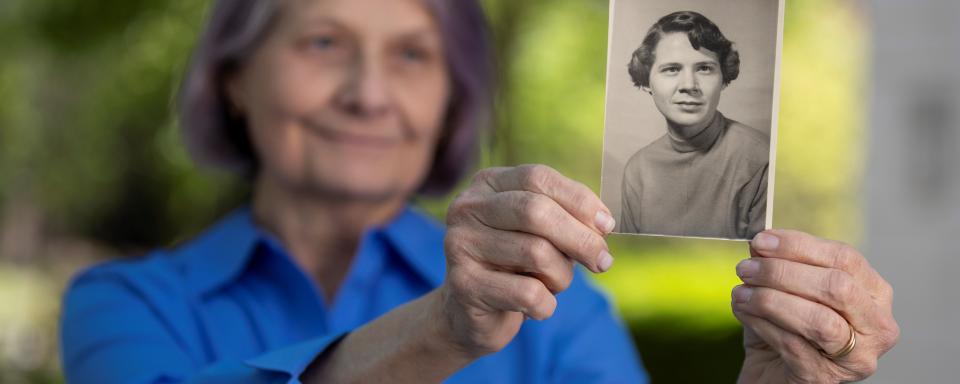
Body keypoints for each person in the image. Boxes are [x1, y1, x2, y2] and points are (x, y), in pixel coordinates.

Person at [59, 1, 898, 383]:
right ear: (234, 79)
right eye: (323, 43)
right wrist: (442, 330)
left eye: (412, 55)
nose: (369, 94)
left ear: (450, 100)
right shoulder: (122, 303)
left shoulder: (561, 303)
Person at [619, 11, 769, 239]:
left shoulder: (760, 158)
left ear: (723, 78)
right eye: (672, 69)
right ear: (647, 80)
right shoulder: (638, 169)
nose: (689, 85)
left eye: (704, 68)